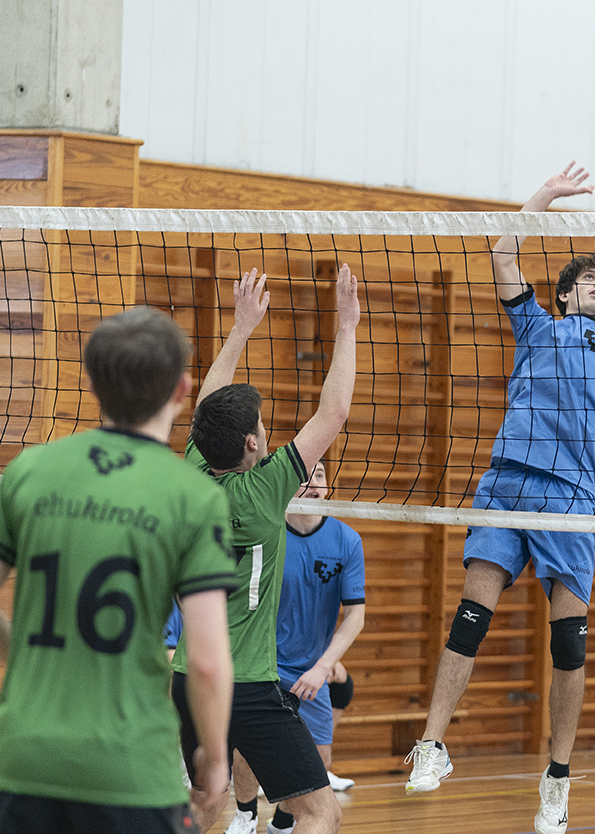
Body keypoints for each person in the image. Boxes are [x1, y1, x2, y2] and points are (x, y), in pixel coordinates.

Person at [405, 161, 595, 834]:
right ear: (566, 293)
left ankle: (557, 776)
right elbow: (502, 253)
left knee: (569, 643)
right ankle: (432, 743)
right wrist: (544, 196)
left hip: (569, 499)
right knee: (469, 618)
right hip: (507, 485)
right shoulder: (537, 326)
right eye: (590, 279)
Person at [0, 307, 236, 834]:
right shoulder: (194, 496)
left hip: (23, 768)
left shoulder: (30, 471)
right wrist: (213, 752)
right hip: (132, 775)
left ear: (92, 385)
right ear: (183, 390)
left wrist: (25, 655)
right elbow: (206, 661)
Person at [170, 264, 359, 834]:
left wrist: (240, 328)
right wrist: (347, 326)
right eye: (261, 424)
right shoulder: (267, 487)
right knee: (321, 812)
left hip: (188, 677)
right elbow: (334, 413)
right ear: (253, 443)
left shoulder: (193, 473)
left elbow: (207, 407)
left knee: (206, 803)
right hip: (248, 684)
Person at [224, 460, 366, 834]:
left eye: (319, 475)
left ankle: (282, 822)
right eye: (304, 477)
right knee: (247, 752)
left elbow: (356, 616)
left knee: (317, 763)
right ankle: (244, 815)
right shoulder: (267, 533)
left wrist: (324, 665)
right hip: (262, 665)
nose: (313, 483)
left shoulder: (347, 540)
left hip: (311, 672)